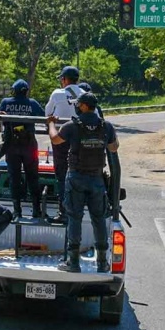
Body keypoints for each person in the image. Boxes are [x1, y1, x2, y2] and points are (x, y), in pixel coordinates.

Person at [47, 92, 119, 273]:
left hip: (76, 178)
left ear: (85, 106)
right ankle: (102, 262)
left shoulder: (72, 126)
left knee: (74, 218)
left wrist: (51, 124)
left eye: (78, 105)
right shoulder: (106, 126)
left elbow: (55, 140)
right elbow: (113, 147)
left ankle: (73, 262)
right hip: (96, 179)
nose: (76, 107)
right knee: (99, 219)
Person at [0, 79, 45, 218]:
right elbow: (43, 117)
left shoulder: (6, 102)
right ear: (26, 91)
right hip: (29, 145)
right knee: (33, 177)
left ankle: (17, 211)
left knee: (14, 177)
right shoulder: (33, 103)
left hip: (11, 145)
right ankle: (36, 210)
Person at [45, 66, 84, 223]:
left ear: (65, 80)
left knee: (62, 175)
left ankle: (63, 212)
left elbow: (48, 113)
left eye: (62, 79)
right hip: (81, 141)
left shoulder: (57, 93)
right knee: (79, 174)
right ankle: (78, 210)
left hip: (61, 139)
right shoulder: (85, 95)